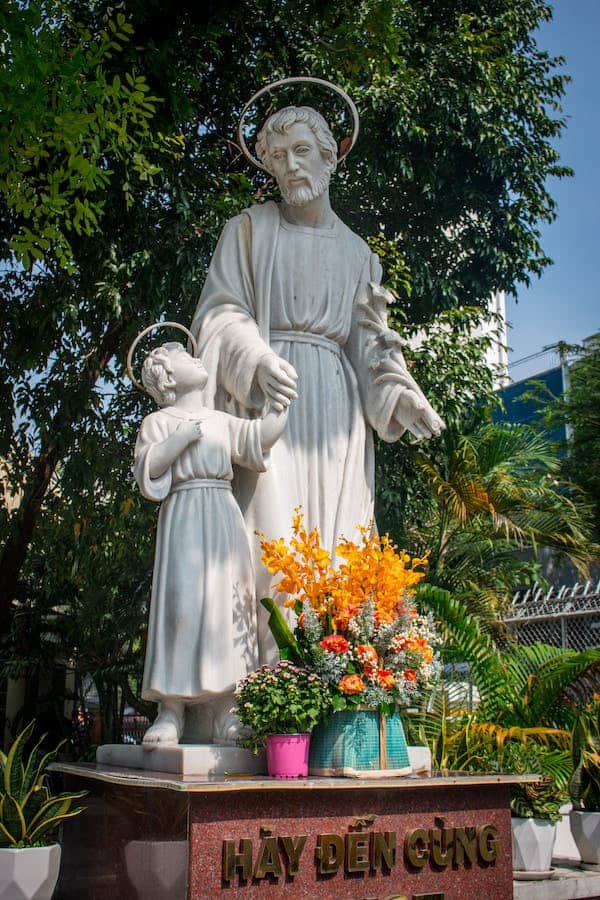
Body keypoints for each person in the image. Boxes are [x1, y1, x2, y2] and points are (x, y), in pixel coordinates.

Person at [190, 105, 444, 664]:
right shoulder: (248, 230)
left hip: (336, 411)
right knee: (270, 542)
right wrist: (254, 359)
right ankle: (267, 680)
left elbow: (370, 344)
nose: (290, 165)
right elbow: (219, 313)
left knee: (340, 545)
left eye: (302, 150)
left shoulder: (358, 253)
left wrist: (401, 396)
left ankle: (338, 672)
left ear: (329, 157)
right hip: (270, 401)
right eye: (278, 156)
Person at [133, 341, 290, 744]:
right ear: (168, 379)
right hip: (184, 514)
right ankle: (171, 709)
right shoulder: (158, 422)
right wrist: (180, 439)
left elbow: (258, 438)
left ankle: (227, 709)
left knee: (228, 606)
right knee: (181, 608)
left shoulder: (219, 420)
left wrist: (280, 404)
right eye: (185, 357)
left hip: (222, 513)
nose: (196, 357)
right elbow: (148, 469)